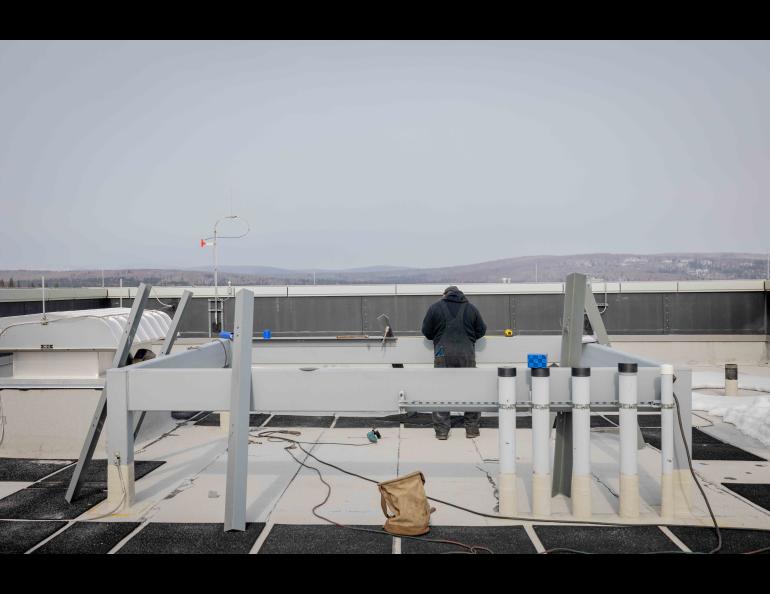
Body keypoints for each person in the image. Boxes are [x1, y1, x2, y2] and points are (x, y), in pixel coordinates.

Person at [421, 285, 487, 440]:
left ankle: (442, 431)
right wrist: (469, 339)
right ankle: (471, 429)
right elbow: (481, 331)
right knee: (471, 391)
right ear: (461, 294)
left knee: (441, 390)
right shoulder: (471, 308)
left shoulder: (435, 308)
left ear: (445, 294)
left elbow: (426, 332)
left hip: (442, 353)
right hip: (466, 353)